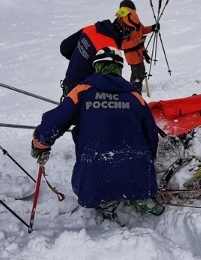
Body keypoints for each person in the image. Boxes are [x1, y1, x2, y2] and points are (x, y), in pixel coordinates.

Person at [31, 48, 162, 221]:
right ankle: (139, 195)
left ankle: (106, 201)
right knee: (136, 172)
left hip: (95, 170)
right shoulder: (134, 94)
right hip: (137, 170)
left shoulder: (82, 90)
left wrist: (40, 143)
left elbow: (55, 121)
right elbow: (151, 134)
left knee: (95, 175)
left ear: (97, 66)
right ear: (120, 68)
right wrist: (148, 160)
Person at [59, 6, 141, 95]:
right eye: (131, 31)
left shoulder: (90, 29)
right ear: (126, 29)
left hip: (69, 88)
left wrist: (83, 57)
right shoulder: (111, 50)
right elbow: (110, 88)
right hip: (83, 98)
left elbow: (64, 48)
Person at [118, 0, 160, 91]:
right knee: (139, 75)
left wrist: (152, 28)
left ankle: (132, 91)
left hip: (138, 53)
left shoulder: (133, 21)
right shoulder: (122, 24)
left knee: (136, 74)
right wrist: (137, 42)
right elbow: (121, 45)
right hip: (132, 55)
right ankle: (135, 94)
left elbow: (142, 30)